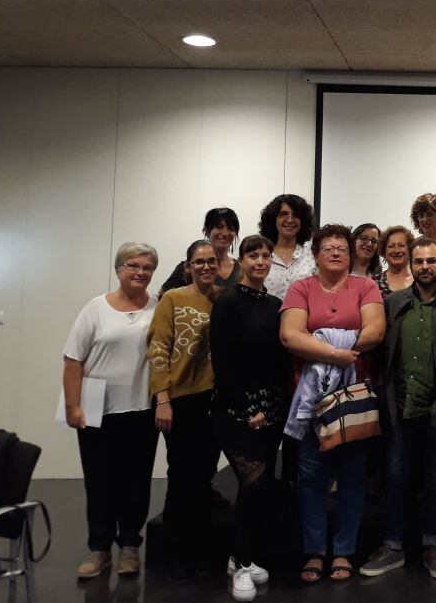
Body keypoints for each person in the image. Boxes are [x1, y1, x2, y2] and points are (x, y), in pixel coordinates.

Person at [279, 224, 386, 584]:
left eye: (342, 247)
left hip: (354, 397)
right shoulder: (302, 288)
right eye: (329, 248)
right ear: (316, 255)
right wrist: (337, 352)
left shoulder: (365, 286)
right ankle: (314, 551)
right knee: (311, 478)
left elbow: (376, 331)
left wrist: (326, 345)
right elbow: (290, 335)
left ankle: (343, 550)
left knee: (353, 477)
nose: (336, 253)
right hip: (312, 399)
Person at [360, 237, 436, 580]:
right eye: (418, 261)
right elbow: (378, 355)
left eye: (430, 261)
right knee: (395, 477)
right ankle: (392, 547)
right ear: (410, 263)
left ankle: (433, 546)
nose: (424, 267)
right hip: (399, 407)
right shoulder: (392, 304)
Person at [63, 242, 160, 579]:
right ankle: (99, 549)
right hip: (96, 410)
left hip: (141, 410)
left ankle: (130, 547)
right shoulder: (95, 309)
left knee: (136, 481)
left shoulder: (158, 307)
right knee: (100, 481)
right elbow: (72, 359)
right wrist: (73, 406)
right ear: (119, 269)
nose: (140, 272)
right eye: (133, 265)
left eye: (147, 268)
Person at [209, 235, 289, 601]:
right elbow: (222, 365)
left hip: (272, 408)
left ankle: (240, 557)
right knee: (252, 484)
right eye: (253, 255)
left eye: (266, 255)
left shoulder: (275, 304)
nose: (261, 261)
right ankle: (242, 564)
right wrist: (247, 408)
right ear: (241, 260)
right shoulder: (226, 303)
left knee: (257, 490)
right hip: (237, 409)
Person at [147, 239, 223, 583]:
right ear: (188, 266)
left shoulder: (224, 299)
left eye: (211, 261)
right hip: (180, 400)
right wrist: (162, 399)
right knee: (180, 478)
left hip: (215, 399)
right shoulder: (173, 299)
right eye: (199, 262)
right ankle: (179, 554)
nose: (206, 266)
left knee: (203, 479)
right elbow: (159, 348)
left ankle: (201, 552)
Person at [160, 208, 241, 293]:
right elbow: (162, 296)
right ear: (206, 231)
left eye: (230, 228)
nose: (225, 233)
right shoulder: (190, 267)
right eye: (219, 227)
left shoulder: (241, 269)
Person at [259, 194, 317, 301]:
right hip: (266, 317)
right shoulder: (261, 253)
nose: (290, 220)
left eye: (295, 215)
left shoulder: (312, 254)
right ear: (274, 219)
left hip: (304, 316)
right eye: (284, 214)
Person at [376, 225, 414, 298]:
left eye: (401, 245)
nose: (396, 250)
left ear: (410, 249)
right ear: (384, 252)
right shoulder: (374, 282)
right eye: (391, 246)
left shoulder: (420, 278)